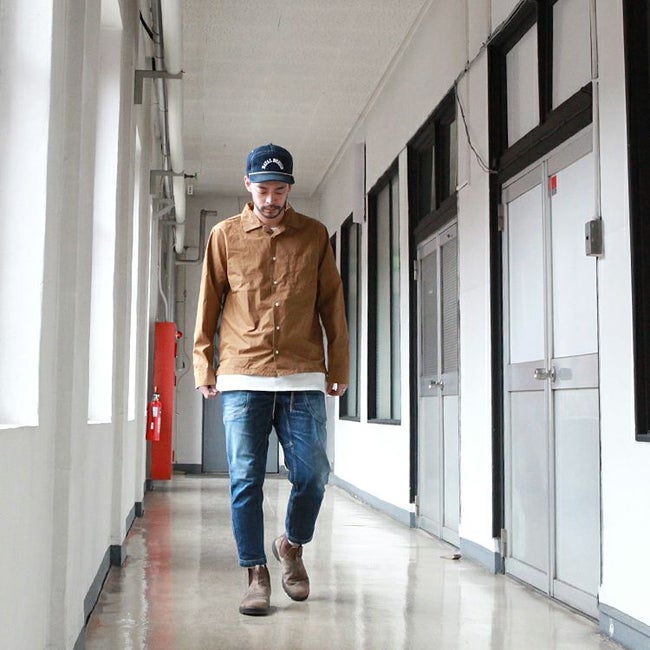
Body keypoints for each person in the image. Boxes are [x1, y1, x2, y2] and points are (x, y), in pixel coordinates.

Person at [193, 143, 350, 616]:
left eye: (279, 190)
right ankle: (255, 573)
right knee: (245, 479)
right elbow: (208, 304)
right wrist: (203, 365)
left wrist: (339, 366)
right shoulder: (224, 236)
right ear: (248, 185)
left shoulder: (314, 235)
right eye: (262, 189)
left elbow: (332, 305)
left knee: (313, 474)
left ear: (289, 189)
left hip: (303, 374)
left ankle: (291, 545)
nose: (270, 198)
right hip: (243, 374)